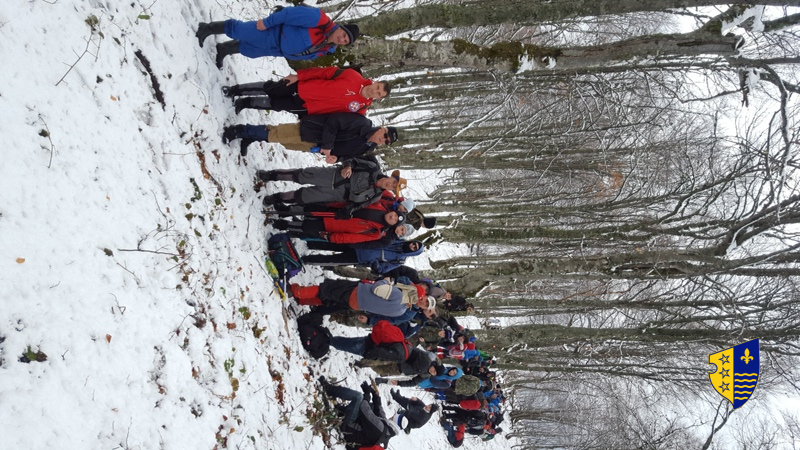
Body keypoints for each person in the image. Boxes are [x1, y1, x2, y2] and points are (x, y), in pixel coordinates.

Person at [196, 6, 359, 68]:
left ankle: (223, 49)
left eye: (346, 41)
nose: (342, 39)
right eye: (344, 35)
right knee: (240, 30)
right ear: (341, 27)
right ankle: (207, 28)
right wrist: (267, 22)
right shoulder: (319, 19)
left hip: (276, 49)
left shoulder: (328, 49)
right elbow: (289, 14)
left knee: (249, 50)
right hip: (272, 32)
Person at [223, 67, 391, 116]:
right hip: (303, 86)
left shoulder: (361, 109)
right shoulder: (353, 75)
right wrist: (298, 76)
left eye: (378, 94)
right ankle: (236, 90)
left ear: (378, 98)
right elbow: (323, 72)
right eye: (377, 87)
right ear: (376, 82)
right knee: (271, 89)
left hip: (306, 106)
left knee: (275, 104)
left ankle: (245, 103)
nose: (374, 91)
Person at [256, 159, 400, 215]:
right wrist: (348, 166)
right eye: (394, 182)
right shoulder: (373, 168)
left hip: (335, 195)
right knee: (301, 175)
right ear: (392, 177)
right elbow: (352, 160)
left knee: (302, 197)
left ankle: (276, 198)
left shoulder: (376, 196)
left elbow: (358, 205)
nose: (390, 185)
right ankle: (271, 175)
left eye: (393, 188)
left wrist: (349, 209)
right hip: (332, 176)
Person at [223, 113, 398, 157]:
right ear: (382, 128)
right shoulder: (363, 123)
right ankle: (239, 130)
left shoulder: (368, 147)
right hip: (312, 131)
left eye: (387, 142)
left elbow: (347, 155)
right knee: (276, 133)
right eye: (385, 136)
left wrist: (336, 159)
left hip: (315, 146)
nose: (383, 140)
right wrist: (328, 146)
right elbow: (334, 121)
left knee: (282, 141)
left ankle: (249, 137)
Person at [289, 278, 434, 324]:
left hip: (358, 293)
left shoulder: (398, 295)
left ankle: (298, 292)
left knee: (327, 289)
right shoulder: (402, 310)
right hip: (358, 304)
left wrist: (386, 281)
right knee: (329, 299)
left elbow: (377, 288)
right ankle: (303, 300)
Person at [318, 377, 398, 450]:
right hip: (354, 437)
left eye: (393, 417)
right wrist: (375, 395)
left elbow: (364, 408)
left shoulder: (381, 428)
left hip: (348, 430)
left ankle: (329, 389)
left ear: (393, 421)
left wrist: (367, 394)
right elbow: (380, 412)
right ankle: (340, 410)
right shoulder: (386, 434)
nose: (391, 416)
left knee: (358, 397)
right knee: (372, 406)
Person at [272, 208, 403, 245]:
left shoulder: (376, 232)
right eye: (395, 215)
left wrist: (334, 238)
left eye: (395, 220)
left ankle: (284, 225)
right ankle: (285, 211)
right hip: (336, 210)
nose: (393, 217)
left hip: (334, 226)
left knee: (307, 226)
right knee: (309, 210)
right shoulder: (379, 206)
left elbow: (354, 238)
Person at [302, 240, 424, 273]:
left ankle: (306, 260)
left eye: (415, 248)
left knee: (331, 260)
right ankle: (308, 243)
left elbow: (382, 270)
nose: (412, 245)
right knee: (332, 244)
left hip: (360, 258)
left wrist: (374, 263)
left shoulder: (399, 260)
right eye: (414, 243)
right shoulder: (399, 240)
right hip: (359, 244)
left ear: (413, 252)